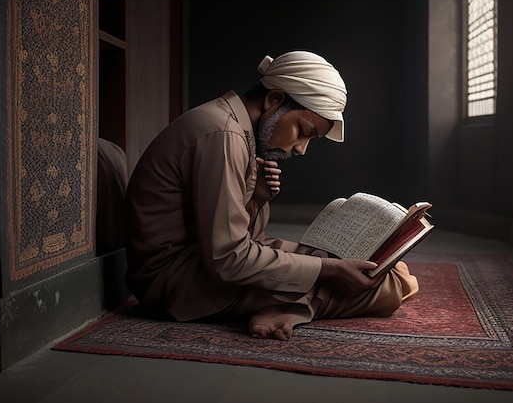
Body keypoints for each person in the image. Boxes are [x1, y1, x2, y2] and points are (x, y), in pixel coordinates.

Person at [124, 50, 419, 340]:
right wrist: (329, 270)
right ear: (274, 99)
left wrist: (256, 200)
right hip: (175, 284)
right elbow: (230, 259)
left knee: (376, 268)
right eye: (303, 131)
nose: (302, 148)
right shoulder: (222, 135)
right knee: (386, 288)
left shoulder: (235, 129)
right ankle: (286, 308)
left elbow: (246, 242)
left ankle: (282, 305)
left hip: (201, 265)